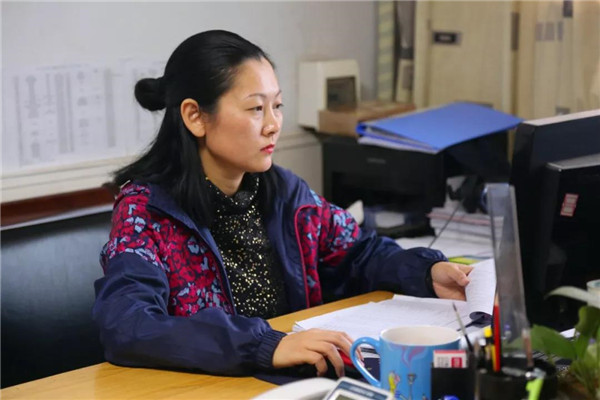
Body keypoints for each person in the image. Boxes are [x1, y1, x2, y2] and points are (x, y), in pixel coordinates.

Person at [93, 30, 473, 378]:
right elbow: (128, 325)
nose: (273, 124)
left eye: (277, 106)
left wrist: (426, 272)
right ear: (195, 117)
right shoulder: (146, 211)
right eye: (256, 109)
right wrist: (264, 345)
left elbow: (358, 252)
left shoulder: (285, 192)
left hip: (293, 383)